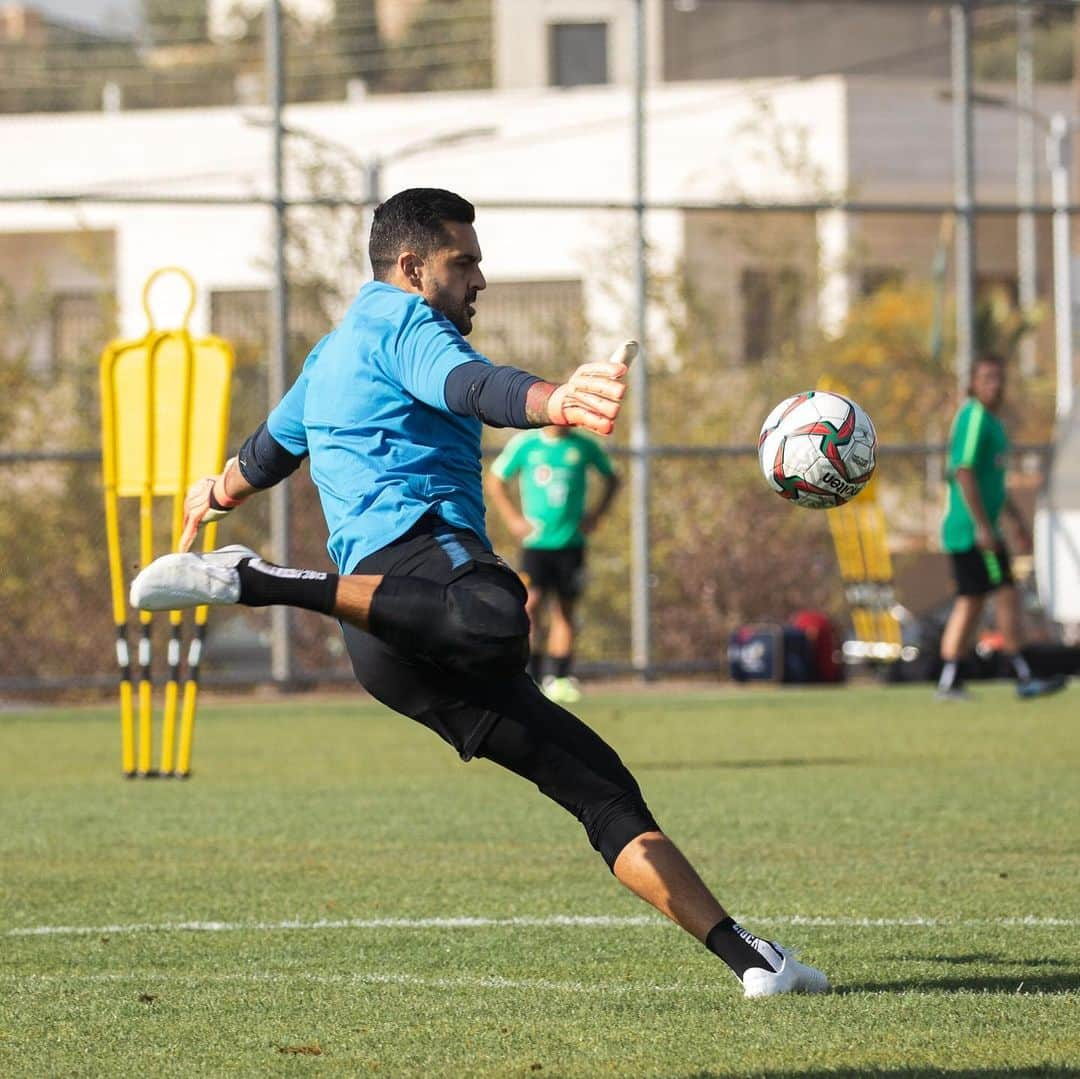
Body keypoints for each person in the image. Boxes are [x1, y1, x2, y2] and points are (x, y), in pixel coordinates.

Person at [131, 187, 828, 997]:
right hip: (430, 574)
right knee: (503, 617)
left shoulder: (328, 354)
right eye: (464, 263)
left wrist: (214, 492)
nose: (479, 280)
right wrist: (554, 401)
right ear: (411, 267)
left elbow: (269, 449)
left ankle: (754, 962)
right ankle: (262, 579)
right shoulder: (405, 323)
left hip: (389, 645)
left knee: (600, 786)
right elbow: (472, 385)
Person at [936, 352, 1067, 701]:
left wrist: (1015, 520)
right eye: (987, 378)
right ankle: (1021, 673)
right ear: (973, 384)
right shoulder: (974, 416)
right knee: (1002, 594)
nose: (995, 385)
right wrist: (982, 527)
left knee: (974, 601)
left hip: (985, 528)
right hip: (970, 531)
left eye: (999, 378)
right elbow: (963, 471)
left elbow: (992, 481)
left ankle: (952, 679)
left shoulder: (994, 422)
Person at [486, 425, 618, 704]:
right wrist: (513, 519)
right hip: (535, 545)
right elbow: (496, 480)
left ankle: (558, 678)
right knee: (529, 605)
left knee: (565, 609)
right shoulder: (526, 444)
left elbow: (612, 478)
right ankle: (529, 676)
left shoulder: (584, 446)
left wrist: (596, 514)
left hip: (571, 543)